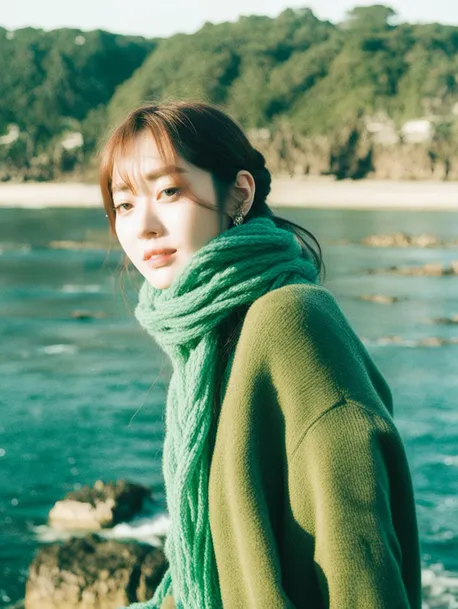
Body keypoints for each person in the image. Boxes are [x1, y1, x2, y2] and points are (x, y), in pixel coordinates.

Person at [99, 100, 422, 609]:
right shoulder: (207, 338)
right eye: (124, 204)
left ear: (239, 194)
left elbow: (359, 546)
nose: (144, 225)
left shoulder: (292, 318)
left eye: (168, 191)